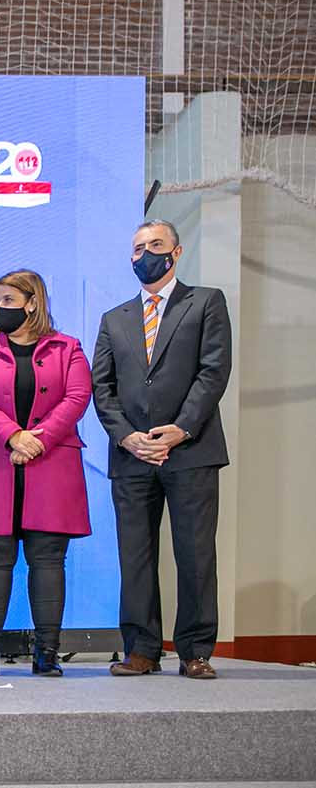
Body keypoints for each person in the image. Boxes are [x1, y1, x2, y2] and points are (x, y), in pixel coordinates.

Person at [93, 220, 232, 680]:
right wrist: (126, 436)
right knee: (135, 556)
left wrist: (181, 429)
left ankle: (195, 650)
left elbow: (213, 371)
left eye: (155, 245)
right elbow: (102, 387)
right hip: (132, 456)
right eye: (138, 248)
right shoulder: (114, 318)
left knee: (195, 554)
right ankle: (141, 649)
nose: (145, 254)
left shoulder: (206, 302)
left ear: (176, 251)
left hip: (191, 451)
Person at [0, 269, 93, 677]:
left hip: (51, 465)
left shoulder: (68, 348)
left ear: (32, 303)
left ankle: (47, 653)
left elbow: (78, 396)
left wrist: (37, 441)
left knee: (48, 561)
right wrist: (13, 436)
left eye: (8, 300)